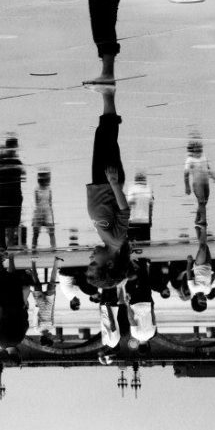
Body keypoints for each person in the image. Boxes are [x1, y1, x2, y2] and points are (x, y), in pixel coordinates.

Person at [85, 87, 131, 289]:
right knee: (108, 134)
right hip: (107, 181)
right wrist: (113, 183)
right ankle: (107, 92)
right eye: (94, 262)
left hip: (99, 183)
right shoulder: (116, 240)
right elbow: (124, 211)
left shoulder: (109, 241)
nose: (91, 257)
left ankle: (107, 94)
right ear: (110, 263)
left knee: (103, 133)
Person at [0, 135, 25, 251]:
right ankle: (8, 247)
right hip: (12, 195)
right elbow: (19, 177)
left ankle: (3, 247)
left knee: (5, 223)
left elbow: (0, 177)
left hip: (5, 195)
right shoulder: (16, 162)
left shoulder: (1, 161)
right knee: (12, 223)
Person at [184, 134, 215, 227]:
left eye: (199, 146)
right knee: (201, 201)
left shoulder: (204, 156)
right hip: (197, 184)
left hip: (205, 183)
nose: (198, 148)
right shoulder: (190, 159)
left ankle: (197, 217)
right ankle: (203, 220)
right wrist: (187, 187)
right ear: (192, 148)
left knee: (205, 201)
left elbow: (208, 169)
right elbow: (186, 174)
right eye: (196, 147)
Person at [30, 258, 62, 346]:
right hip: (49, 302)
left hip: (40, 304)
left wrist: (36, 306)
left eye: (51, 339)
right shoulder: (51, 327)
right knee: (52, 283)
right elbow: (52, 313)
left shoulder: (37, 329)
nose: (53, 337)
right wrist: (54, 298)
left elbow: (34, 317)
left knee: (36, 283)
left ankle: (33, 262)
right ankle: (56, 262)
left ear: (47, 338)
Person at [31, 168, 56, 251]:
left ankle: (54, 248)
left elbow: (50, 202)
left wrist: (51, 215)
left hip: (46, 210)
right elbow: (37, 202)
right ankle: (34, 248)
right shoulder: (37, 189)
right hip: (40, 211)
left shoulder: (49, 189)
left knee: (51, 232)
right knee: (36, 232)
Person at [126, 170, 154, 242]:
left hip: (133, 221)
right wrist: (150, 221)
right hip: (145, 221)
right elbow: (151, 208)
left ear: (135, 180)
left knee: (131, 245)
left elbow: (128, 205)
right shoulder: (149, 189)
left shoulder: (132, 188)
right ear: (145, 180)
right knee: (145, 244)